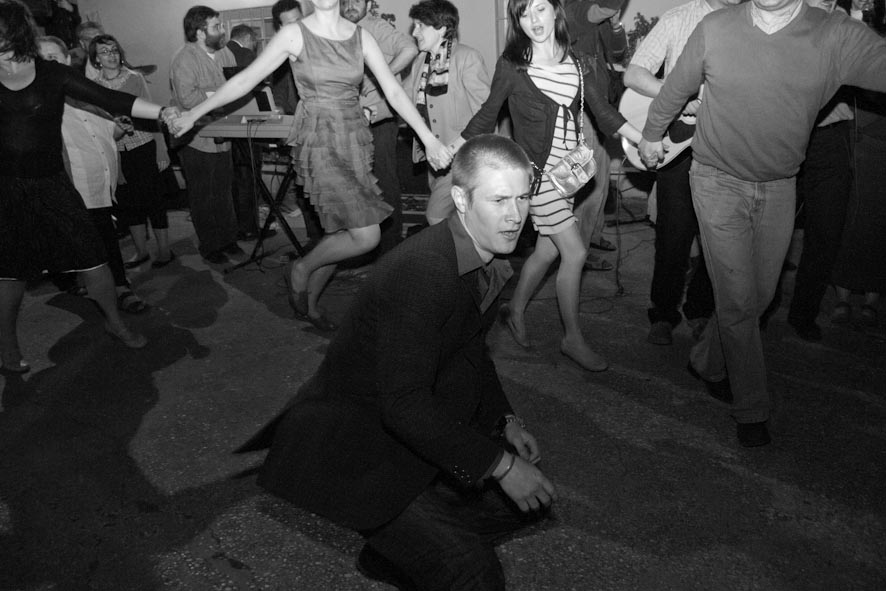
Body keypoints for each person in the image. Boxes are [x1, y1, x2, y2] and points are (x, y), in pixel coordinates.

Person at [237, 134, 556, 591]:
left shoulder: (482, 255)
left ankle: (397, 554)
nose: (514, 215)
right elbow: (403, 406)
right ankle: (405, 537)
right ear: (461, 200)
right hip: (362, 449)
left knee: (533, 501)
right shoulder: (424, 273)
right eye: (499, 200)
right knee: (475, 576)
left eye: (523, 198)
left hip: (409, 429)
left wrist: (505, 420)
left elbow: (471, 351)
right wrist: (501, 466)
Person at [638, 0, 886, 446]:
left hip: (779, 185)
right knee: (737, 299)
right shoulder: (716, 27)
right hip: (715, 179)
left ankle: (706, 359)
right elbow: (675, 89)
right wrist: (652, 134)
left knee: (759, 296)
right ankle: (752, 408)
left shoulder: (833, 34)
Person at [172, 0, 452, 332]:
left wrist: (429, 139)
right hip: (319, 140)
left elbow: (392, 89)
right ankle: (301, 268)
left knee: (340, 233)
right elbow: (245, 80)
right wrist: (193, 113)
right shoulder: (294, 34)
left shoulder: (361, 36)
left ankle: (313, 305)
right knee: (367, 235)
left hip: (354, 140)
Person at [455, 0, 643, 372]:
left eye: (539, 9)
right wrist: (453, 147)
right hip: (537, 176)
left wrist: (643, 138)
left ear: (555, 11)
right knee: (574, 253)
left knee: (546, 251)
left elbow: (602, 112)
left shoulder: (576, 60)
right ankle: (572, 338)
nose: (532, 20)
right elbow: (488, 112)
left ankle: (514, 309)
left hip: (568, 176)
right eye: (523, 13)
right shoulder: (513, 65)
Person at [1, 0, 177, 370]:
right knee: (10, 271)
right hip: (7, 190)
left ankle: (115, 324)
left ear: (13, 31)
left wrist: (162, 111)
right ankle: (7, 347)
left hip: (52, 183)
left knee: (93, 256)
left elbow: (110, 98)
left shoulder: (51, 73)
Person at [623, 0, 736, 346]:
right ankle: (663, 312)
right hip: (681, 141)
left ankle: (700, 308)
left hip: (729, 142)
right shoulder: (679, 18)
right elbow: (634, 74)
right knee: (673, 234)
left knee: (719, 237)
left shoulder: (755, 19)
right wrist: (677, 95)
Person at [37, 35, 150, 315]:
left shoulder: (87, 92)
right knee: (96, 243)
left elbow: (104, 132)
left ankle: (106, 287)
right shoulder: (41, 102)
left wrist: (118, 127)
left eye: (53, 57)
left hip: (102, 180)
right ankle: (117, 291)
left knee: (103, 239)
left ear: (66, 59)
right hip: (74, 185)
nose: (48, 64)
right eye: (42, 59)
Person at [786, 0, 859, 340]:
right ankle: (752, 309)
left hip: (830, 137)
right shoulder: (781, 14)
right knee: (766, 229)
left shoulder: (846, 23)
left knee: (826, 232)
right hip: (785, 133)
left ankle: (803, 313)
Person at [90, 34, 174, 270]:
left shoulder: (135, 78)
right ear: (96, 59)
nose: (111, 55)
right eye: (104, 52)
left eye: (114, 50)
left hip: (143, 145)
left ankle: (164, 251)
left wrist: (161, 150)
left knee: (153, 200)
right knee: (128, 203)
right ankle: (141, 251)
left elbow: (152, 114)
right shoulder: (93, 86)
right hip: (116, 150)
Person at [404, 0, 491, 226]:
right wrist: (370, 109)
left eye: (420, 26)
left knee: (435, 216)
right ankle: (473, 248)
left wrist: (457, 149)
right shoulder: (420, 62)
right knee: (460, 217)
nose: (414, 32)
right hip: (434, 157)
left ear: (441, 28)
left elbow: (486, 113)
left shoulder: (467, 58)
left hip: (463, 157)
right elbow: (402, 99)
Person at [169, 5, 244, 265]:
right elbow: (188, 99)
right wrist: (219, 95)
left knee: (224, 192)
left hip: (224, 136)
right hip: (196, 141)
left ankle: (229, 239)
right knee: (203, 196)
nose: (222, 30)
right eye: (216, 26)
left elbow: (237, 86)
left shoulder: (225, 53)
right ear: (200, 32)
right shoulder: (184, 59)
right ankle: (210, 246)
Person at [341, 0, 418, 253]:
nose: (350, 5)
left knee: (384, 183)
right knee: (357, 187)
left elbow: (409, 48)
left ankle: (391, 249)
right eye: (345, 1)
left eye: (357, 0)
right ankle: (364, 247)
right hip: (351, 121)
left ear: (367, 3)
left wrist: (378, 78)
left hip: (379, 123)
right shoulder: (340, 29)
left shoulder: (374, 26)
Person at [830, 0, 885, 329]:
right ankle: (842, 294)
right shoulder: (851, 30)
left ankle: (872, 298)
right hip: (856, 134)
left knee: (879, 221)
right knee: (849, 215)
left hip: (880, 139)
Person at [565, 0, 627, 272]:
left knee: (600, 179)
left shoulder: (595, 14)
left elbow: (618, 52)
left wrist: (615, 25)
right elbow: (604, 7)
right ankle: (580, 249)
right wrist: (609, 12)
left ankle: (593, 233)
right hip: (581, 109)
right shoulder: (574, 10)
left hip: (598, 105)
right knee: (587, 183)